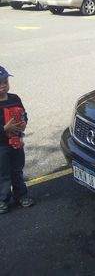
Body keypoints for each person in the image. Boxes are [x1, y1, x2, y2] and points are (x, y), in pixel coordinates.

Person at [0, 65, 35, 214]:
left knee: (17, 170)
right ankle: (3, 200)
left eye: (5, 82)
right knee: (3, 174)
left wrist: (24, 122)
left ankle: (21, 196)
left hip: (16, 142)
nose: (3, 86)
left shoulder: (15, 98)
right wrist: (4, 129)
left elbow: (23, 114)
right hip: (1, 146)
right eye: (0, 83)